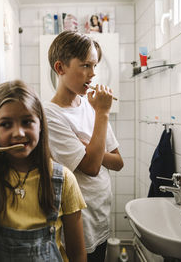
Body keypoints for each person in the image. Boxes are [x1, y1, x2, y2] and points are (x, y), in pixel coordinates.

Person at [0, 80, 87, 262]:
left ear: (41, 124)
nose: (19, 133)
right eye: (5, 124)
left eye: (27, 121)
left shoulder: (64, 179)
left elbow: (78, 255)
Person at [44, 31, 124, 262]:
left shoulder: (90, 107)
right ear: (60, 68)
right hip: (79, 221)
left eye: (95, 65)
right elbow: (91, 167)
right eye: (86, 65)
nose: (93, 73)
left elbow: (118, 162)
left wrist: (88, 146)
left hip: (100, 214)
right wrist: (103, 113)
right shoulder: (50, 115)